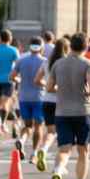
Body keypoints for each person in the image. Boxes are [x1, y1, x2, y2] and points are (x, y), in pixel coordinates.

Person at [46, 33, 90, 179]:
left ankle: (58, 170)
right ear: (86, 47)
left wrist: (63, 90)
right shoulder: (89, 64)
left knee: (64, 149)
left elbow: (49, 87)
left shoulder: (58, 63)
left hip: (62, 112)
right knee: (83, 151)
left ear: (71, 46)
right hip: (83, 112)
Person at [34, 38, 68, 171]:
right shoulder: (66, 63)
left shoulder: (47, 62)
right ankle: (59, 166)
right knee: (64, 134)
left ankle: (43, 148)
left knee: (51, 132)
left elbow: (37, 80)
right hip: (62, 102)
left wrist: (47, 85)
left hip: (47, 101)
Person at [11, 38, 46, 163]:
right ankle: (34, 153)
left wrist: (22, 81)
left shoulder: (21, 60)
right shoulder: (44, 61)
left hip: (24, 97)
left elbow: (12, 77)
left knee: (27, 125)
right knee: (38, 127)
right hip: (39, 98)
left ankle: (22, 140)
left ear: (30, 46)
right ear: (41, 47)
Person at [0, 30, 20, 138]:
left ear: (0, 38)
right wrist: (17, 76)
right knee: (5, 103)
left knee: (1, 102)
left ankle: (0, 123)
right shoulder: (13, 50)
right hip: (8, 80)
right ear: (10, 39)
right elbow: (18, 65)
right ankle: (0, 124)